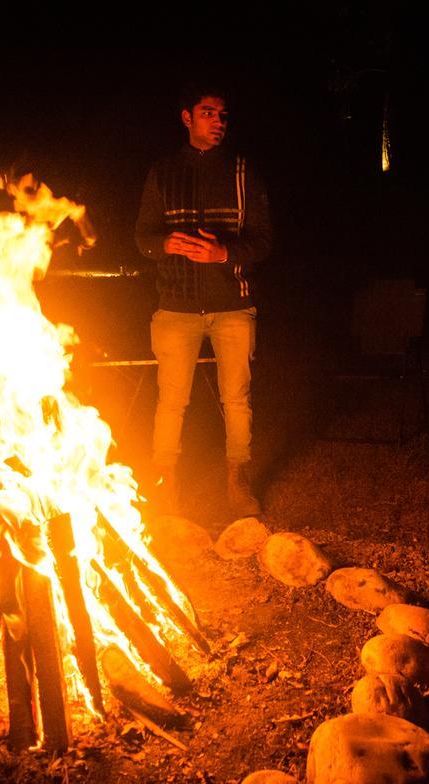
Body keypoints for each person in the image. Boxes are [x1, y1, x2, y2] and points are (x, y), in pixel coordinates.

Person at [135, 83, 272, 518]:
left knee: (237, 398)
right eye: (208, 112)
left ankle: (237, 479)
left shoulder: (242, 171)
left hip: (232, 305)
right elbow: (143, 237)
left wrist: (224, 252)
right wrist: (165, 244)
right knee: (172, 400)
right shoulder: (162, 172)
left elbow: (264, 241)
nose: (218, 121)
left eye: (222, 115)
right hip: (176, 306)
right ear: (187, 117)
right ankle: (166, 483)